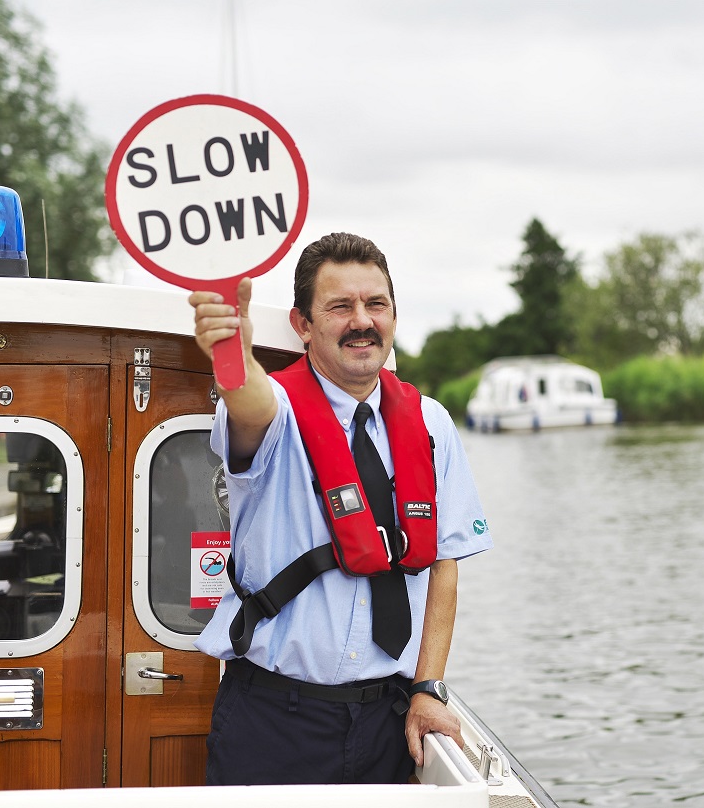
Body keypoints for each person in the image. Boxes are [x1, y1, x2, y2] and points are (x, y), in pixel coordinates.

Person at [188, 233, 492, 786]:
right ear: (303, 325)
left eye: (375, 305)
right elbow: (247, 401)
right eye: (340, 306)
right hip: (273, 720)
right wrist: (232, 353)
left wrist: (427, 688)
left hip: (387, 719)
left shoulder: (431, 424)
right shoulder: (276, 412)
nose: (361, 321)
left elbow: (445, 564)